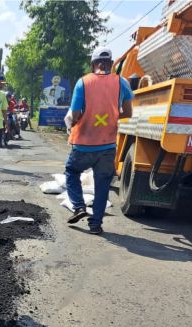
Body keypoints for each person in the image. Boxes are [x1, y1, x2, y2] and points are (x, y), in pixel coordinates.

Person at [65, 47, 134, 234]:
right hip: (107, 145)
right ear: (111, 64)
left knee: (71, 171)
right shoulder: (122, 83)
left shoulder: (83, 82)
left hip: (83, 143)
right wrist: (110, 117)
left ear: (93, 64)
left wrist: (76, 121)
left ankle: (79, 206)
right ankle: (96, 225)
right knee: (102, 184)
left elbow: (76, 113)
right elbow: (128, 112)